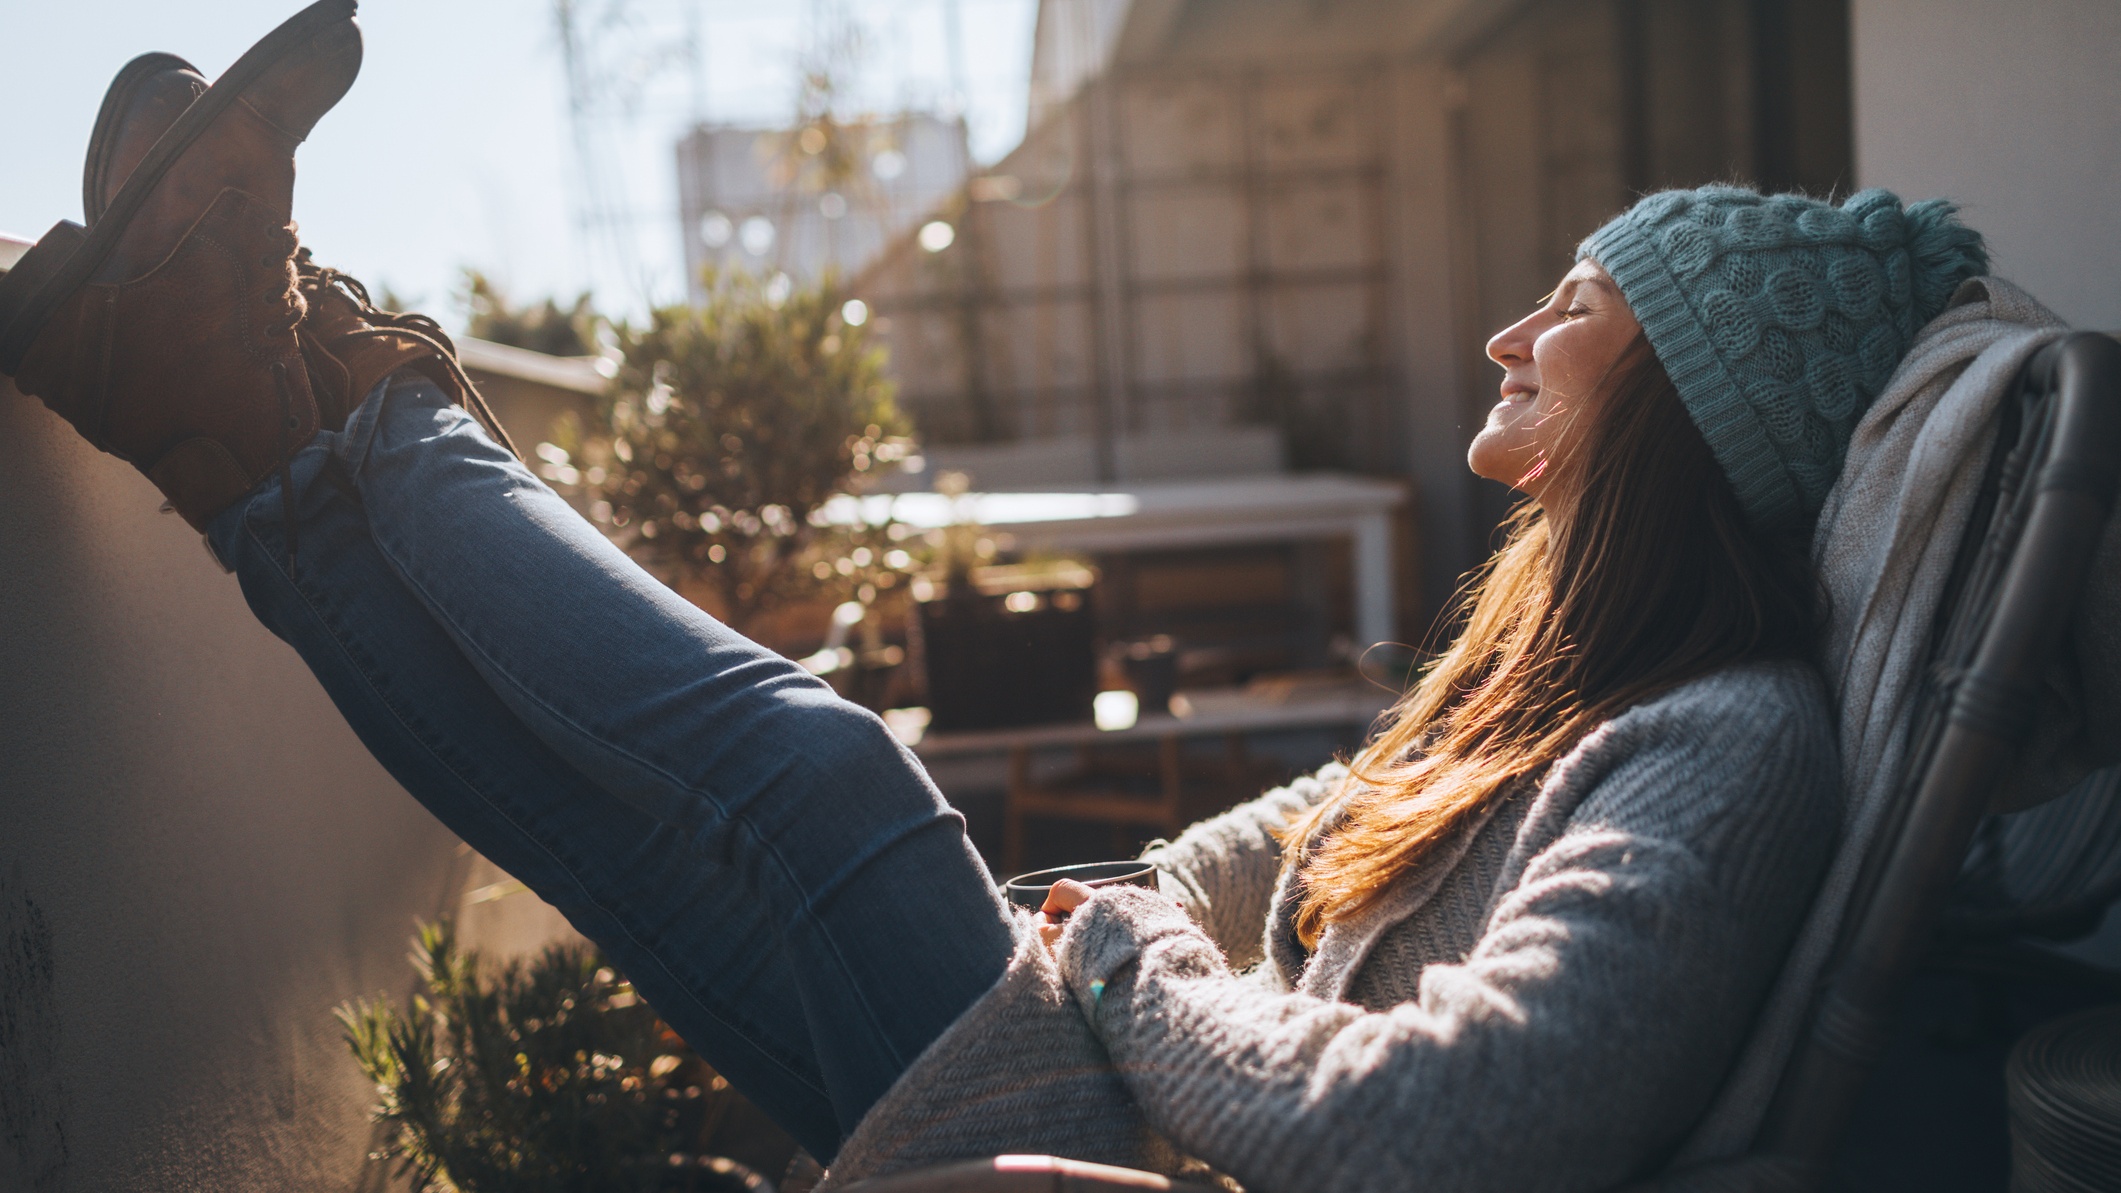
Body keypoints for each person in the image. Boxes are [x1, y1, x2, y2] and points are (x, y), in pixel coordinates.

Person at [0, 7, 1992, 1191]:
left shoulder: (1731, 751)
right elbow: (1288, 835)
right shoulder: (1566, 701)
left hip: (1152, 1158)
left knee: (822, 778)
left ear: (1683, 407)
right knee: (633, 844)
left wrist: (1130, 974)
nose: (1503, 327)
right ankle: (234, 433)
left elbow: (1451, 1126)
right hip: (1145, 1112)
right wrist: (1142, 909)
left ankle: (321, 380)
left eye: (1574, 307)